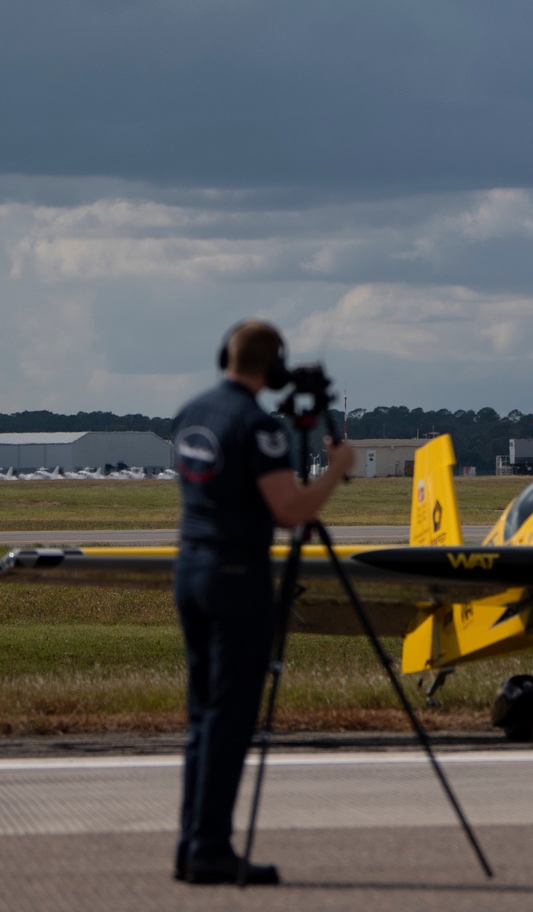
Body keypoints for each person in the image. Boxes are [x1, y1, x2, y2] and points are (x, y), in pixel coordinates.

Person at [172, 320, 353, 885]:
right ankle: (210, 848)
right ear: (271, 371)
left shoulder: (192, 412)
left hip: (191, 569)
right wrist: (335, 473)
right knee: (230, 717)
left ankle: (191, 841)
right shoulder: (257, 426)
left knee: (203, 713)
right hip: (236, 576)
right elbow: (291, 511)